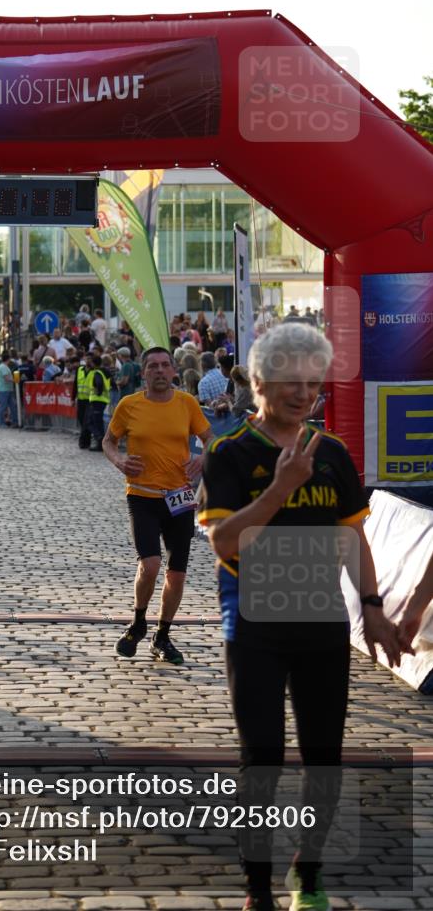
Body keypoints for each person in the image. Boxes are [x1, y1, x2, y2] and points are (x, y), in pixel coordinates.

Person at [197, 322, 401, 911]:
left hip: (321, 624)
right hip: (255, 626)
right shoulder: (228, 452)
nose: (302, 393)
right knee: (260, 755)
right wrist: (279, 489)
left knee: (324, 758)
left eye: (313, 383)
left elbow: (352, 542)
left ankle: (306, 875)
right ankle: (256, 890)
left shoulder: (331, 453)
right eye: (290, 381)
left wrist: (371, 608)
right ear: (259, 382)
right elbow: (225, 543)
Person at [102, 347, 213, 664]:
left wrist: (203, 459)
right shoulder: (129, 405)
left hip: (179, 498)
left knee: (176, 574)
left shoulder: (187, 404)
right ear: (144, 372)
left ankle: (162, 635)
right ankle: (138, 622)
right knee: (150, 564)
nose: (160, 371)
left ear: (175, 370)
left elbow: (211, 438)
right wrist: (120, 460)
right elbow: (108, 441)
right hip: (142, 495)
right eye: (153, 366)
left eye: (166, 365)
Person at [87, 353, 110, 451]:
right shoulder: (105, 372)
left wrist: (99, 392)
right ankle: (100, 443)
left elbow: (99, 383)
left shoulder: (98, 373)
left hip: (97, 400)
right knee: (97, 422)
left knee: (93, 423)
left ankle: (100, 439)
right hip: (102, 400)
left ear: (93, 363)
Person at [0, 350, 17, 428]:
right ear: (8, 359)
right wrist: (15, 380)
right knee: (3, 406)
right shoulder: (3, 367)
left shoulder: (3, 366)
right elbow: (6, 378)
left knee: (12, 406)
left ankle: (15, 421)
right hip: (4, 389)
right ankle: (1, 423)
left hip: (7, 389)